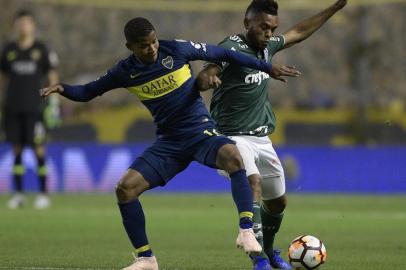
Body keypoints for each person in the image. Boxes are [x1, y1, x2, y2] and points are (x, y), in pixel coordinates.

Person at [40, 17, 298, 270]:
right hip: (169, 143)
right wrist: (63, 88)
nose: (151, 48)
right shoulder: (125, 71)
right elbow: (88, 92)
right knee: (125, 189)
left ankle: (246, 231)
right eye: (144, 45)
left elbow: (223, 53)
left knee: (234, 157)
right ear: (130, 47)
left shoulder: (175, 49)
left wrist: (267, 68)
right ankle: (146, 259)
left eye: (153, 42)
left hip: (200, 133)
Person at [196, 0, 347, 269]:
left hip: (261, 139)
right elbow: (210, 70)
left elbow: (299, 32)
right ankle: (258, 259)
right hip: (231, 139)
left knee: (277, 201)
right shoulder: (231, 47)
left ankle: (268, 249)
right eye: (264, 27)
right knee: (253, 181)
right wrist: (208, 77)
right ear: (247, 23)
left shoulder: (267, 48)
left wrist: (334, 8)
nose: (269, 33)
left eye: (272, 28)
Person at [0, 10, 59, 209]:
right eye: (20, 23)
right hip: (13, 108)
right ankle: (18, 194)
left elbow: (52, 75)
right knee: (16, 150)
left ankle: (43, 194)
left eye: (27, 23)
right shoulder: (8, 49)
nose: (23, 26)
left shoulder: (42, 49)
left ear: (33, 25)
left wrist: (53, 102)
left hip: (36, 109)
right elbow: (3, 77)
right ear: (16, 25)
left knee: (38, 150)